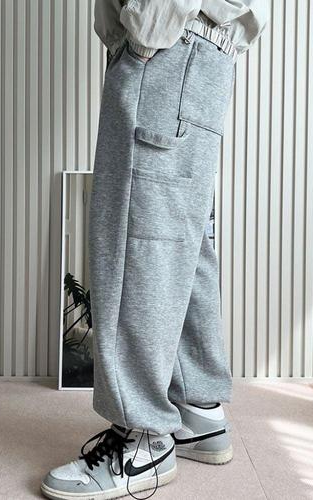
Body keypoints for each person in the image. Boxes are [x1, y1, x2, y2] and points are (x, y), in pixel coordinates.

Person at [41, 1, 267, 499]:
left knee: (136, 240)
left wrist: (145, 36)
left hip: (166, 45)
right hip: (201, 52)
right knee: (175, 240)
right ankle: (198, 412)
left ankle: (142, 437)